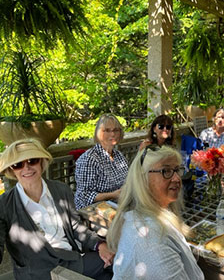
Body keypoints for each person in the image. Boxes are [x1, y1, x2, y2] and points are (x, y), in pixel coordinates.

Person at [0, 139, 114, 280]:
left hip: (72, 260)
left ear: (42, 162)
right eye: (18, 164)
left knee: (117, 262)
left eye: (32, 160)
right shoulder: (4, 205)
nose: (26, 168)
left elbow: (76, 226)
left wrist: (99, 244)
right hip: (38, 273)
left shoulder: (61, 190)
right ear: (12, 170)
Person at [108, 145, 204, 279]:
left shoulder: (147, 217)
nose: (177, 178)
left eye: (177, 170)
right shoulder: (151, 241)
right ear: (143, 179)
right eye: (166, 171)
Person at [74, 114, 128, 209]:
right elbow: (84, 196)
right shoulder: (89, 159)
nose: (112, 134)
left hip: (117, 206)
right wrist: (113, 195)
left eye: (116, 130)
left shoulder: (119, 155)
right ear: (98, 133)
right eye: (107, 130)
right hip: (92, 211)